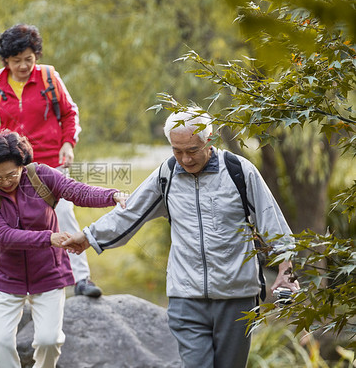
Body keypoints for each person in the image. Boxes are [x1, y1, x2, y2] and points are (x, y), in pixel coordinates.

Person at [62, 109, 300, 368]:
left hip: (236, 296)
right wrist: (88, 237)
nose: (185, 159)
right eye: (177, 150)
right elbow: (130, 213)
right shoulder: (167, 174)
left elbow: (271, 221)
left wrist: (286, 270)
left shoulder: (239, 171)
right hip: (186, 295)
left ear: (209, 141)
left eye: (192, 150)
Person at [0, 131, 127, 368]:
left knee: (49, 341)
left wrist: (113, 195)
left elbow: (78, 191)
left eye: (11, 174)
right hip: (5, 275)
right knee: (1, 343)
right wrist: (49, 237)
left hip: (48, 271)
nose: (5, 182)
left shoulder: (41, 175)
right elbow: (2, 236)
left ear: (23, 164)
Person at [0, 23, 102, 297]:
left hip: (50, 164)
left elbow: (70, 114)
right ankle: (12, 285)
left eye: (29, 59)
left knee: (63, 214)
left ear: (36, 56)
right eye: (16, 61)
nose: (23, 66)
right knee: (15, 223)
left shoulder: (50, 78)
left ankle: (81, 280)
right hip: (13, 168)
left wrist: (68, 143)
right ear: (6, 60)